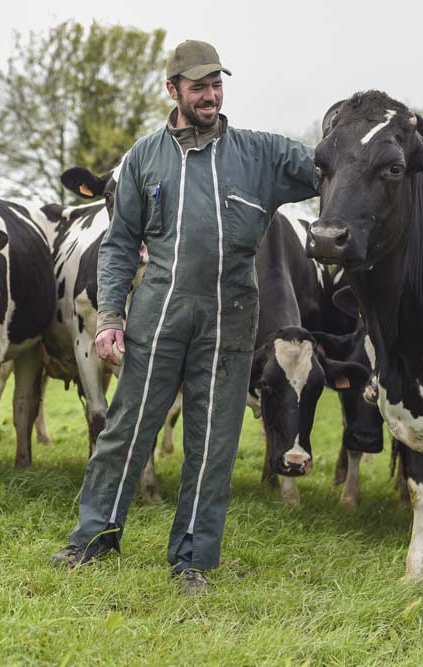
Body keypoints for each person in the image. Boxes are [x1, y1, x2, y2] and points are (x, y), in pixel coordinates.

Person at [51, 39, 318, 594]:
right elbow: (121, 242)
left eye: (217, 84)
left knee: (214, 441)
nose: (211, 95)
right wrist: (109, 317)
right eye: (199, 86)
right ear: (172, 90)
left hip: (231, 320)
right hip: (160, 313)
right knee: (126, 429)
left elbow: (330, 170)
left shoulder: (259, 154)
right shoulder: (145, 157)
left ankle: (192, 558)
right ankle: (93, 537)